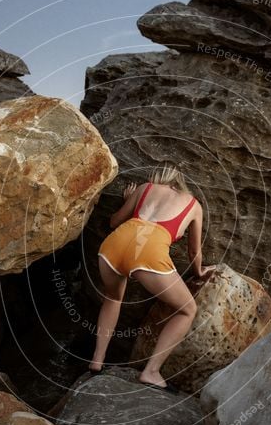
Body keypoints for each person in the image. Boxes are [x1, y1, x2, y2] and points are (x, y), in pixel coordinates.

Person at [89, 164, 216, 391]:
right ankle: (151, 371)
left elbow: (114, 222)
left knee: (113, 298)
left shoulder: (145, 188)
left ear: (159, 177)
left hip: (113, 246)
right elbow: (193, 252)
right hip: (148, 252)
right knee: (188, 310)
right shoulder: (194, 205)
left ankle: (97, 361)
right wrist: (200, 271)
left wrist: (130, 200)